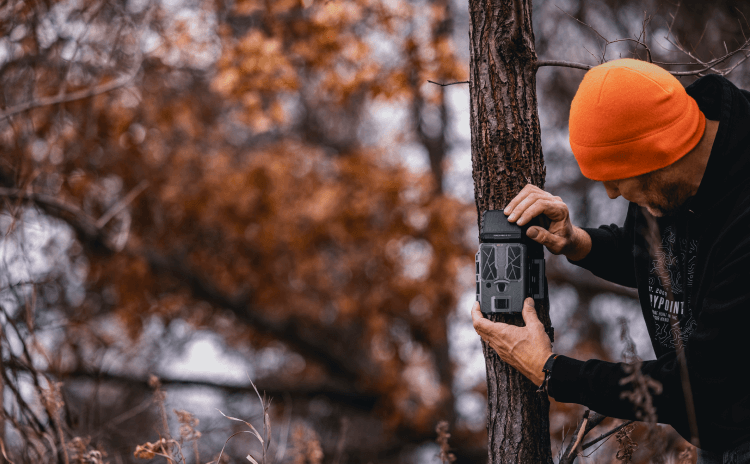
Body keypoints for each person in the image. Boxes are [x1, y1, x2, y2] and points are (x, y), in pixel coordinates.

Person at [470, 58, 750, 462]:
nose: (612, 195)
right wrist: (578, 242)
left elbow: (700, 385)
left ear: (660, 153)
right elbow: (661, 258)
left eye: (618, 181)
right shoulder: (666, 160)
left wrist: (552, 371)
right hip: (717, 436)